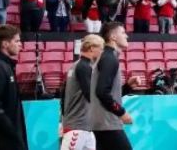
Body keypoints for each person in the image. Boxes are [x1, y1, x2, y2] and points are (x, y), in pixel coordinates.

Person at [92, 22, 142, 150]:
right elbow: (102, 92)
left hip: (101, 124)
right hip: (107, 124)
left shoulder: (107, 57)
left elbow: (108, 92)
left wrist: (127, 87)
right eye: (123, 33)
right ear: (113, 37)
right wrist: (122, 112)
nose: (127, 36)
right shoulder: (109, 58)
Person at [60, 34, 106, 150]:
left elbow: (63, 95)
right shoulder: (84, 67)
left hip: (83, 126)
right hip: (78, 126)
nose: (102, 52)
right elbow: (91, 95)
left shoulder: (75, 66)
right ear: (92, 48)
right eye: (101, 48)